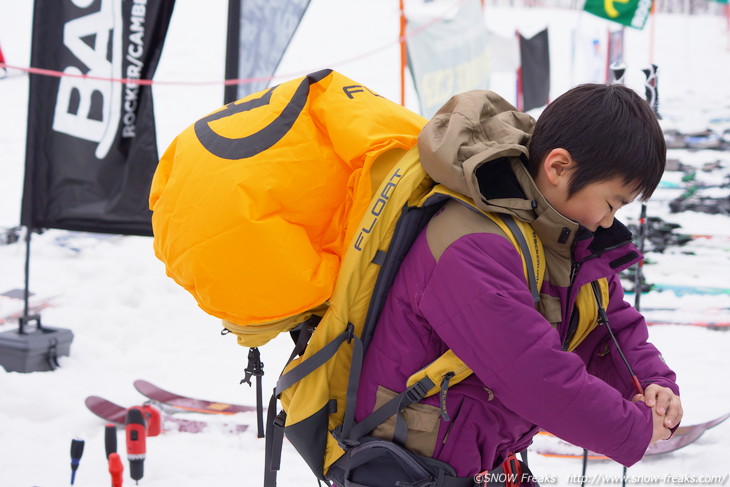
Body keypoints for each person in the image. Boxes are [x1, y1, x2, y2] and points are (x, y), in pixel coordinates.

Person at [354, 83, 683, 481]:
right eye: (611, 203)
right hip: (407, 466)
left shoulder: (564, 240)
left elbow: (608, 325)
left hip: (481, 461)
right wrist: (632, 428)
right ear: (558, 167)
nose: (610, 221)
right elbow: (534, 375)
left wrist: (652, 385)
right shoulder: (471, 245)